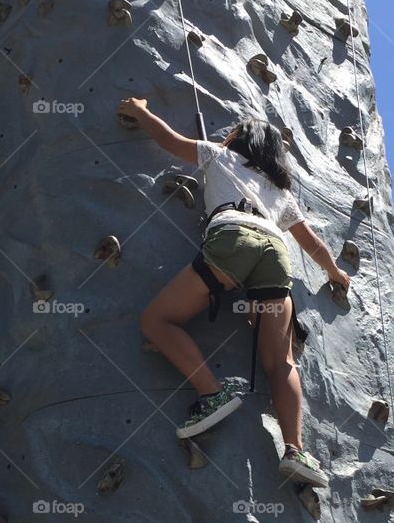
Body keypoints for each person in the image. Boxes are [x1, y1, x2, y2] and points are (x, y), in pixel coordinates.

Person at [118, 97, 350, 489]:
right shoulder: (280, 191)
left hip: (233, 236)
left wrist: (141, 111)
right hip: (276, 252)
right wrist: (335, 272)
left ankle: (211, 392)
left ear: (239, 139)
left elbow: (169, 139)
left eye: (233, 130)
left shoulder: (216, 155)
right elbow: (311, 243)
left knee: (157, 319)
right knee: (282, 360)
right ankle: (296, 451)